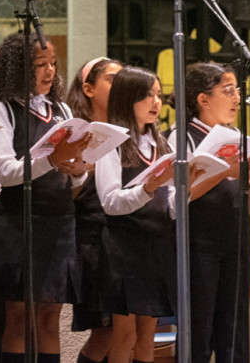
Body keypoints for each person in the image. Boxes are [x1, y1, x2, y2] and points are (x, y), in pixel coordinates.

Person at [0, 31, 91, 363]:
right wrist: (52, 160)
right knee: (18, 315)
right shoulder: (3, 108)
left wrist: (78, 170)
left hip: (58, 219)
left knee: (49, 316)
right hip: (19, 219)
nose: (49, 71)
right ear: (17, 67)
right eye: (40, 64)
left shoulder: (61, 108)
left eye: (53, 63)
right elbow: (6, 172)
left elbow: (74, 177)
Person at [171, 62, 250, 363]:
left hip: (236, 243)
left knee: (235, 331)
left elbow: (248, 200)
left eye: (237, 91)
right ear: (203, 99)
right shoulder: (182, 136)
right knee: (199, 330)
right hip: (199, 244)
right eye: (228, 91)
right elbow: (179, 197)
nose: (236, 99)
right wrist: (220, 172)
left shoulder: (235, 136)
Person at [95, 66, 177, 363]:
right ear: (127, 98)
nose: (156, 102)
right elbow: (110, 202)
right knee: (125, 334)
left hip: (157, 244)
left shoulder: (162, 143)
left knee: (149, 334)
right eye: (147, 95)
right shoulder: (111, 142)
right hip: (124, 246)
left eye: (158, 95)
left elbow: (169, 202)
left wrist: (193, 185)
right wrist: (147, 187)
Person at [65, 56, 123, 363]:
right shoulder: (76, 133)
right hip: (93, 238)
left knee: (127, 333)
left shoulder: (130, 130)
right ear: (88, 88)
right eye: (113, 79)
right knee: (105, 332)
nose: (121, 85)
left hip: (126, 238)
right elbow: (67, 192)